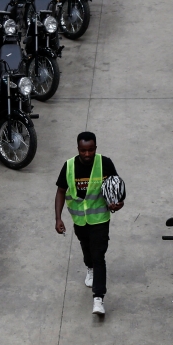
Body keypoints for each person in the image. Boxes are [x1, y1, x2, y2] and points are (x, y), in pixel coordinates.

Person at [54, 131, 123, 316]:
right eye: (83, 150)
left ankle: (98, 298)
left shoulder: (105, 163)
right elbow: (61, 191)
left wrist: (118, 203)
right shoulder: (69, 166)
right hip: (79, 220)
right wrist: (58, 218)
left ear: (95, 148)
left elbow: (116, 187)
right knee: (87, 250)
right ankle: (89, 268)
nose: (87, 154)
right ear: (78, 149)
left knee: (99, 255)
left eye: (91, 150)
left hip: (100, 219)